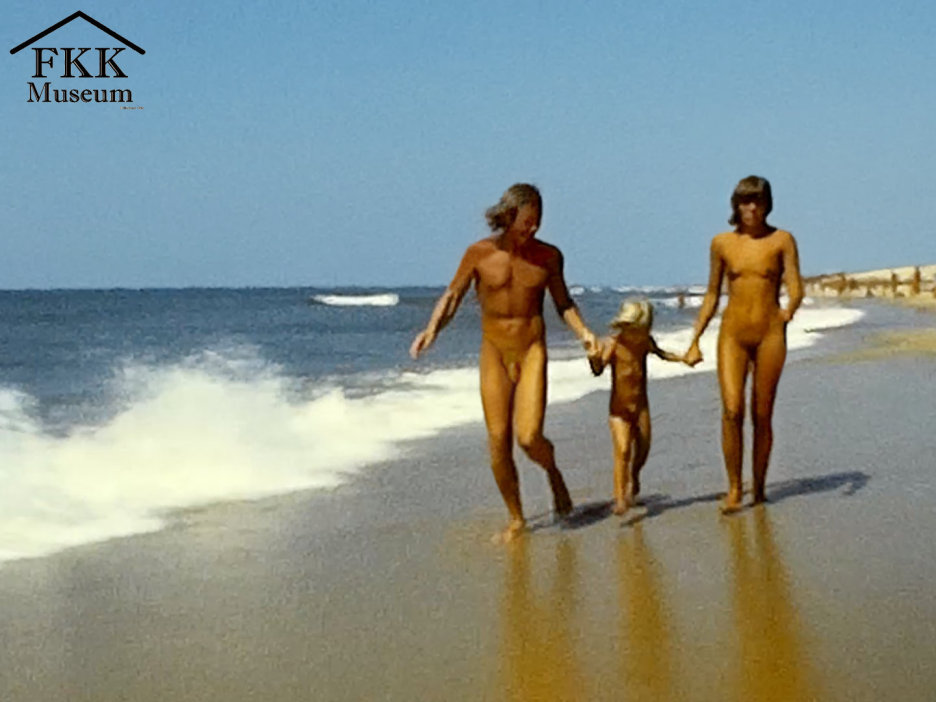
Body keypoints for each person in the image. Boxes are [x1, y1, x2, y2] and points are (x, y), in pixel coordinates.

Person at [410, 183, 597, 542]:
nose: (533, 228)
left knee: (529, 437)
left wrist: (585, 334)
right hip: (494, 351)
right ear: (509, 216)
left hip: (531, 350)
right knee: (498, 440)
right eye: (527, 221)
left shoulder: (548, 256)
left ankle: (553, 472)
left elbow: (563, 303)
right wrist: (432, 329)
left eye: (538, 220)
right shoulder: (478, 253)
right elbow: (452, 296)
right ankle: (516, 518)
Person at [684, 176, 803, 512]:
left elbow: (796, 286)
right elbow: (712, 294)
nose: (751, 208)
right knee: (731, 410)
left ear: (767, 204)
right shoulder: (721, 243)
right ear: (735, 205)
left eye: (758, 201)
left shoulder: (782, 240)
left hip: (770, 335)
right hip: (733, 335)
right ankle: (735, 488)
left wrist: (788, 312)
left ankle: (759, 487)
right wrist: (695, 339)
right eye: (745, 201)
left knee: (761, 414)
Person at [588, 300, 687, 515]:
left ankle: (634, 475)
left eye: (645, 331)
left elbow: (661, 353)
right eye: (639, 331)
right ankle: (619, 498)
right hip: (619, 411)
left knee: (643, 449)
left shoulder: (645, 343)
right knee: (623, 450)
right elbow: (598, 370)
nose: (642, 336)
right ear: (626, 327)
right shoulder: (613, 344)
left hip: (641, 407)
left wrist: (683, 358)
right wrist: (593, 358)